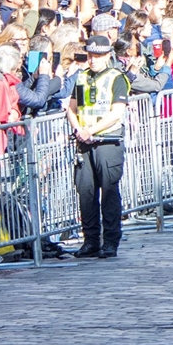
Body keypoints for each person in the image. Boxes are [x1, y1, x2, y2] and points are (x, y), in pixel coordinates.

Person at [65, 34, 129, 259]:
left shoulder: (116, 77)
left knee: (109, 193)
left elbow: (116, 112)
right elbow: (72, 108)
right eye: (90, 55)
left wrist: (91, 131)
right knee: (86, 193)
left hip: (107, 142)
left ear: (107, 55)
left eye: (98, 56)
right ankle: (90, 241)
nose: (93, 60)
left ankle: (110, 241)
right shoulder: (82, 77)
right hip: (84, 142)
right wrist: (79, 130)